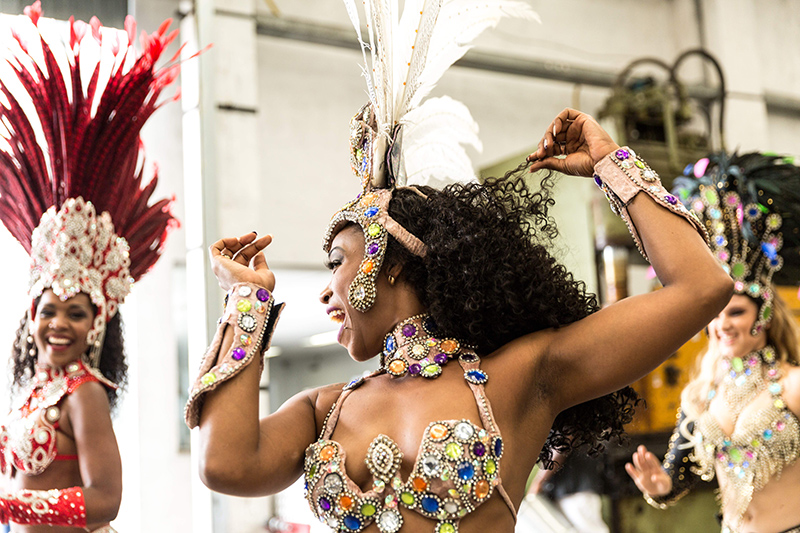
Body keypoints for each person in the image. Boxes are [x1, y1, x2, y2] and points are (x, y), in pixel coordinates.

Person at [183, 1, 732, 532]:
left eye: (336, 263)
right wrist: (246, 302)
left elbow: (701, 288)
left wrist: (613, 165)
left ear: (390, 262)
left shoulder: (522, 378)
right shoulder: (320, 410)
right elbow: (224, 465)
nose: (326, 293)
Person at [0, 3, 180, 530]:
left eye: (75, 314)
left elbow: (106, 500)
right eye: (49, 309)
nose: (58, 323)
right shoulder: (34, 388)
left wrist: (10, 506)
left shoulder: (86, 393)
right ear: (30, 315)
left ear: (98, 324)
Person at [625, 152, 800, 533]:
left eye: (735, 312)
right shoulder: (700, 394)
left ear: (764, 313)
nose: (722, 325)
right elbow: (679, 474)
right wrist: (660, 486)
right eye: (715, 314)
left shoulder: (792, 385)